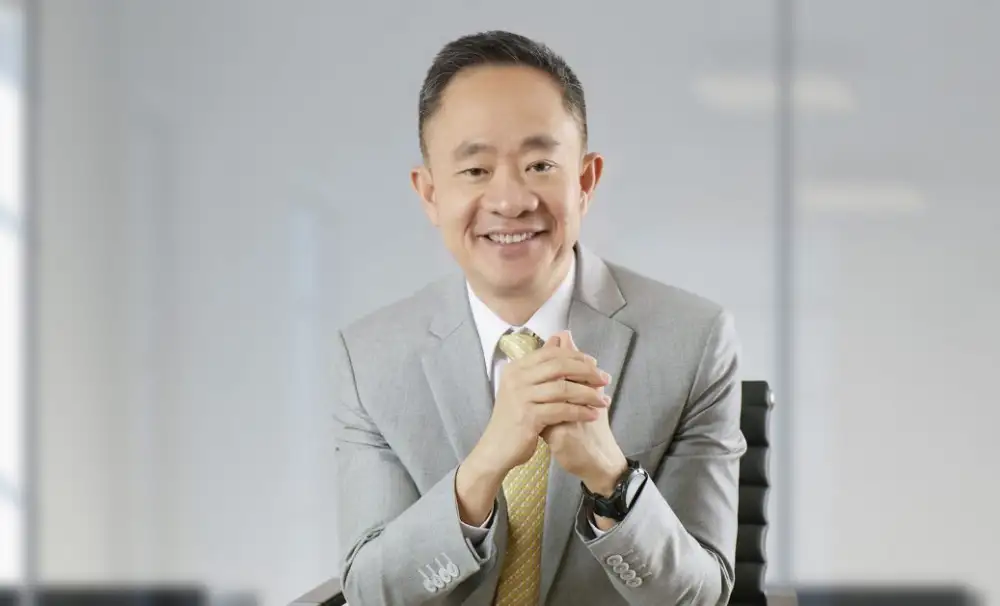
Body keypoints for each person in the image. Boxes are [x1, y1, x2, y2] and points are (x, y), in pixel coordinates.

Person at [332, 30, 746, 606]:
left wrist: (611, 479)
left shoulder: (693, 341)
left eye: (540, 165)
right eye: (475, 170)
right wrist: (482, 469)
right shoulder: (371, 359)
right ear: (429, 194)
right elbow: (370, 593)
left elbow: (701, 597)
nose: (510, 201)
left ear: (585, 181)